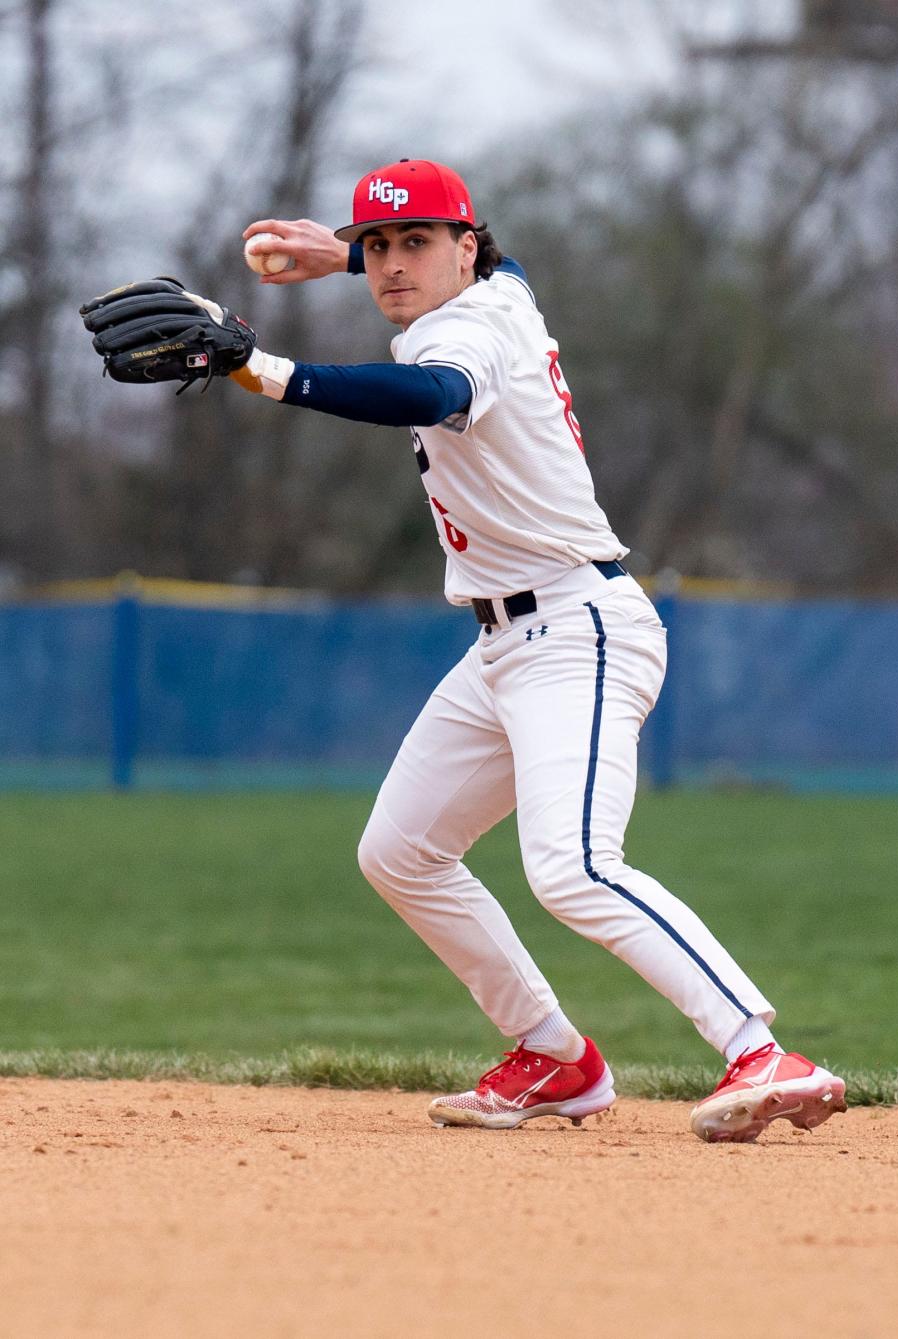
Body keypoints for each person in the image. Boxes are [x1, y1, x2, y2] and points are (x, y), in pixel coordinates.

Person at [233, 158, 846, 1142]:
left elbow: (425, 390)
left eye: (416, 242)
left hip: (579, 628)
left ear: (465, 248)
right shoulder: (506, 289)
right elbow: (455, 280)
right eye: (378, 246)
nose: (393, 264)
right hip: (502, 641)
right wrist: (341, 253)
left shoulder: (466, 330)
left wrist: (259, 368)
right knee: (401, 851)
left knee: (572, 866)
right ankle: (557, 1058)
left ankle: (762, 1048)